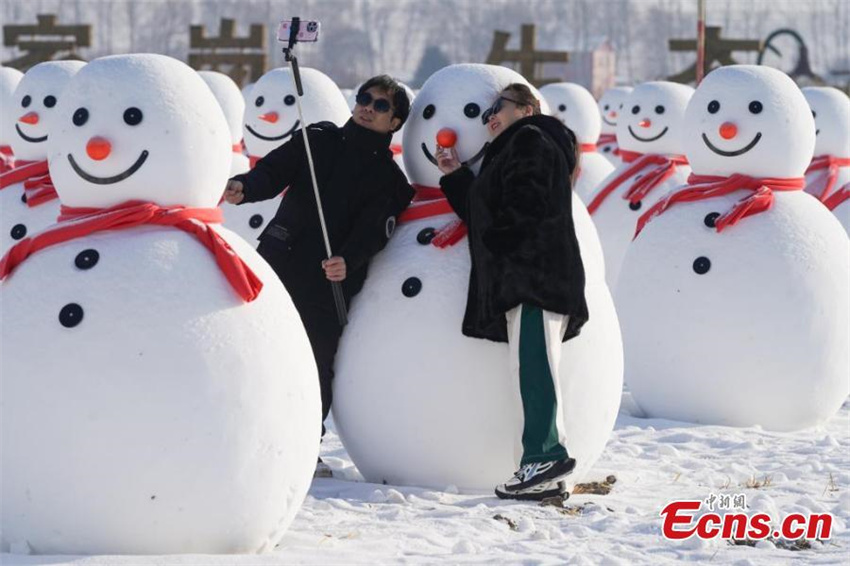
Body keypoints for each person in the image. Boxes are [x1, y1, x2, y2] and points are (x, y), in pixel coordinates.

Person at [224, 75, 415, 476]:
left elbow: (375, 229)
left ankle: (303, 444)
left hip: (328, 282)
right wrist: (246, 185)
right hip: (279, 260)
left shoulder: (392, 181)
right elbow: (273, 171)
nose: (368, 107)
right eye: (364, 98)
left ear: (395, 122)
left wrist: (349, 258)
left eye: (381, 106)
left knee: (315, 362)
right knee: (257, 351)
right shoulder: (318, 141)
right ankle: (241, 437)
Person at [435, 83, 589, 501]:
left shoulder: (531, 138)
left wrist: (502, 243)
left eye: (496, 108)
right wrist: (456, 176)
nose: (489, 118)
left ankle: (546, 455)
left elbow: (525, 204)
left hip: (535, 277)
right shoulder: (515, 147)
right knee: (531, 369)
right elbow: (484, 209)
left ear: (527, 108)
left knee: (537, 370)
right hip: (525, 276)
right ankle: (546, 473)